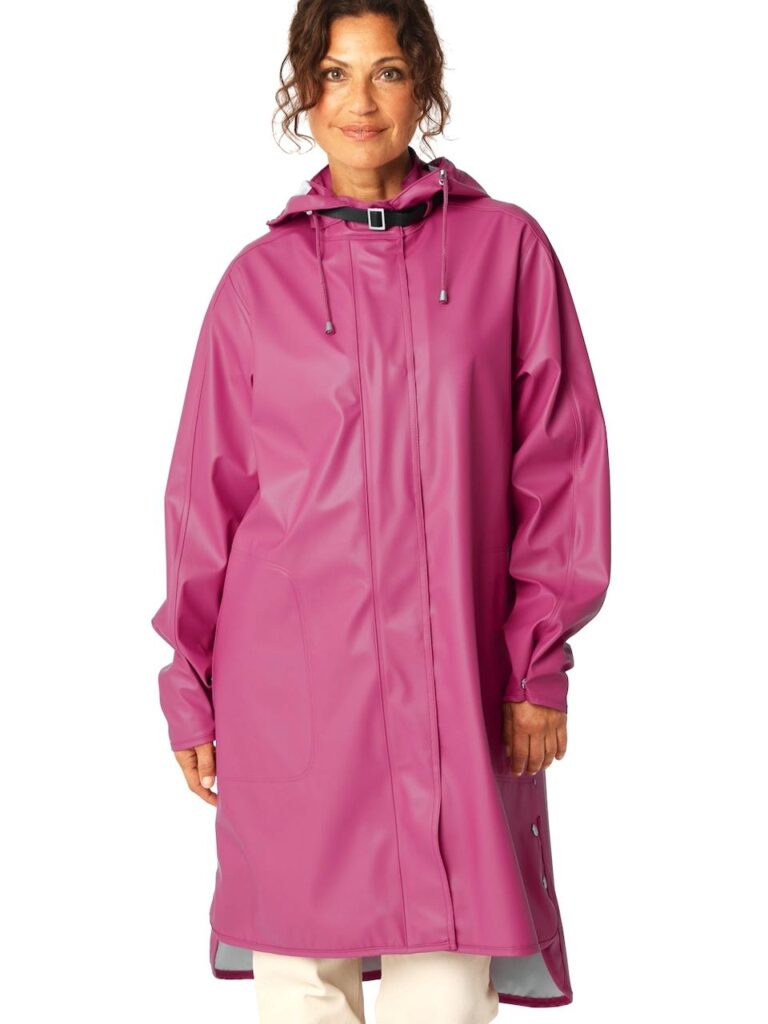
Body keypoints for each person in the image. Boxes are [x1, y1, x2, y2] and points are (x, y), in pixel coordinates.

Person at [150, 2, 611, 1021]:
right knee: (300, 986)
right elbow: (204, 502)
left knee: (444, 980)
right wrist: (189, 685)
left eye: (389, 71)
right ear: (304, 91)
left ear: (425, 86)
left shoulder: (505, 252)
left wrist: (537, 661)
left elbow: (559, 470)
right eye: (335, 72)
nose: (360, 100)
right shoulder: (255, 285)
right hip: (292, 697)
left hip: (456, 690)